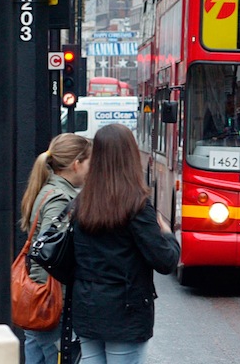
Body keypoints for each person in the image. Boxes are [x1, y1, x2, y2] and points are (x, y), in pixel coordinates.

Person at [72, 124, 180, 363]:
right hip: (125, 312)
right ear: (130, 156)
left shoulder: (81, 202)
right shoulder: (136, 205)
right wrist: (168, 235)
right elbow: (165, 261)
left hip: (87, 307)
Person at [20, 133, 92, 364]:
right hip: (50, 299)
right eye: (90, 162)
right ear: (76, 164)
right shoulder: (60, 198)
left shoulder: (48, 190)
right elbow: (48, 249)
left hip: (37, 297)